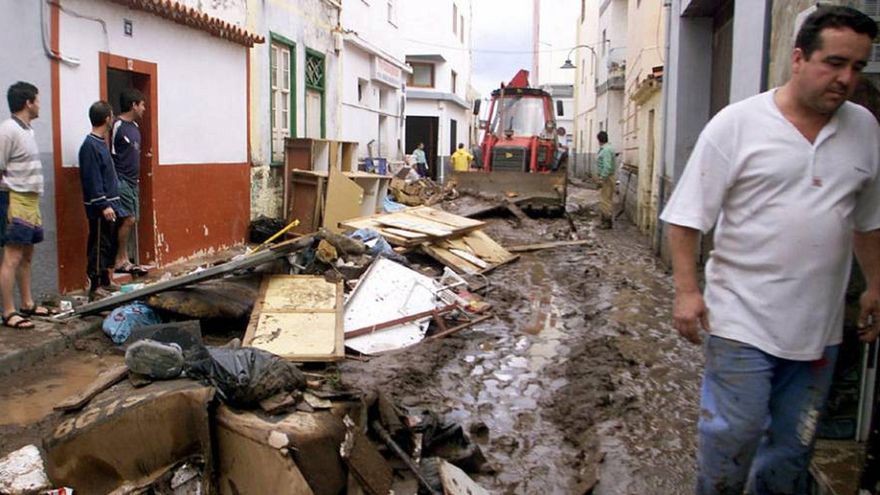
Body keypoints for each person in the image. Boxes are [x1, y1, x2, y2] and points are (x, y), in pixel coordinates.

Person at [660, 7, 880, 494]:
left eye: (857, 67)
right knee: (732, 433)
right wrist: (686, 292)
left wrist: (875, 286)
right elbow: (686, 216)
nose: (845, 79)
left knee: (793, 445)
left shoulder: (864, 129)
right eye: (834, 63)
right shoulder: (737, 125)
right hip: (741, 320)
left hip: (818, 329)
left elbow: (867, 221)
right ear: (798, 58)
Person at [0, 82, 50, 329]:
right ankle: (8, 312)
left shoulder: (27, 130)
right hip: (16, 199)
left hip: (31, 200)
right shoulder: (8, 130)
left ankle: (27, 304)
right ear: (28, 103)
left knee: (27, 254)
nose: (39, 104)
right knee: (12, 255)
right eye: (37, 100)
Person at [79, 101, 127, 301]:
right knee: (98, 245)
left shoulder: (101, 143)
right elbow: (92, 178)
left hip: (111, 204)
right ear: (107, 118)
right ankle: (95, 285)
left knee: (109, 243)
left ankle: (106, 281)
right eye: (111, 115)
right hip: (101, 208)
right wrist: (103, 204)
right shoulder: (90, 146)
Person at [111, 88, 148, 276]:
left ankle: (126, 257)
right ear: (133, 105)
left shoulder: (135, 127)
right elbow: (111, 153)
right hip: (122, 180)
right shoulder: (117, 126)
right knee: (128, 218)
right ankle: (120, 259)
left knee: (133, 219)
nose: (144, 109)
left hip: (134, 181)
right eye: (142, 105)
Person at [595, 131, 615, 229]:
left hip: (607, 178)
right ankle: (604, 220)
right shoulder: (607, 148)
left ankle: (607, 222)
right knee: (606, 199)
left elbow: (607, 166)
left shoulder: (606, 150)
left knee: (605, 200)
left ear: (599, 140)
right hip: (607, 177)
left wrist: (602, 178)